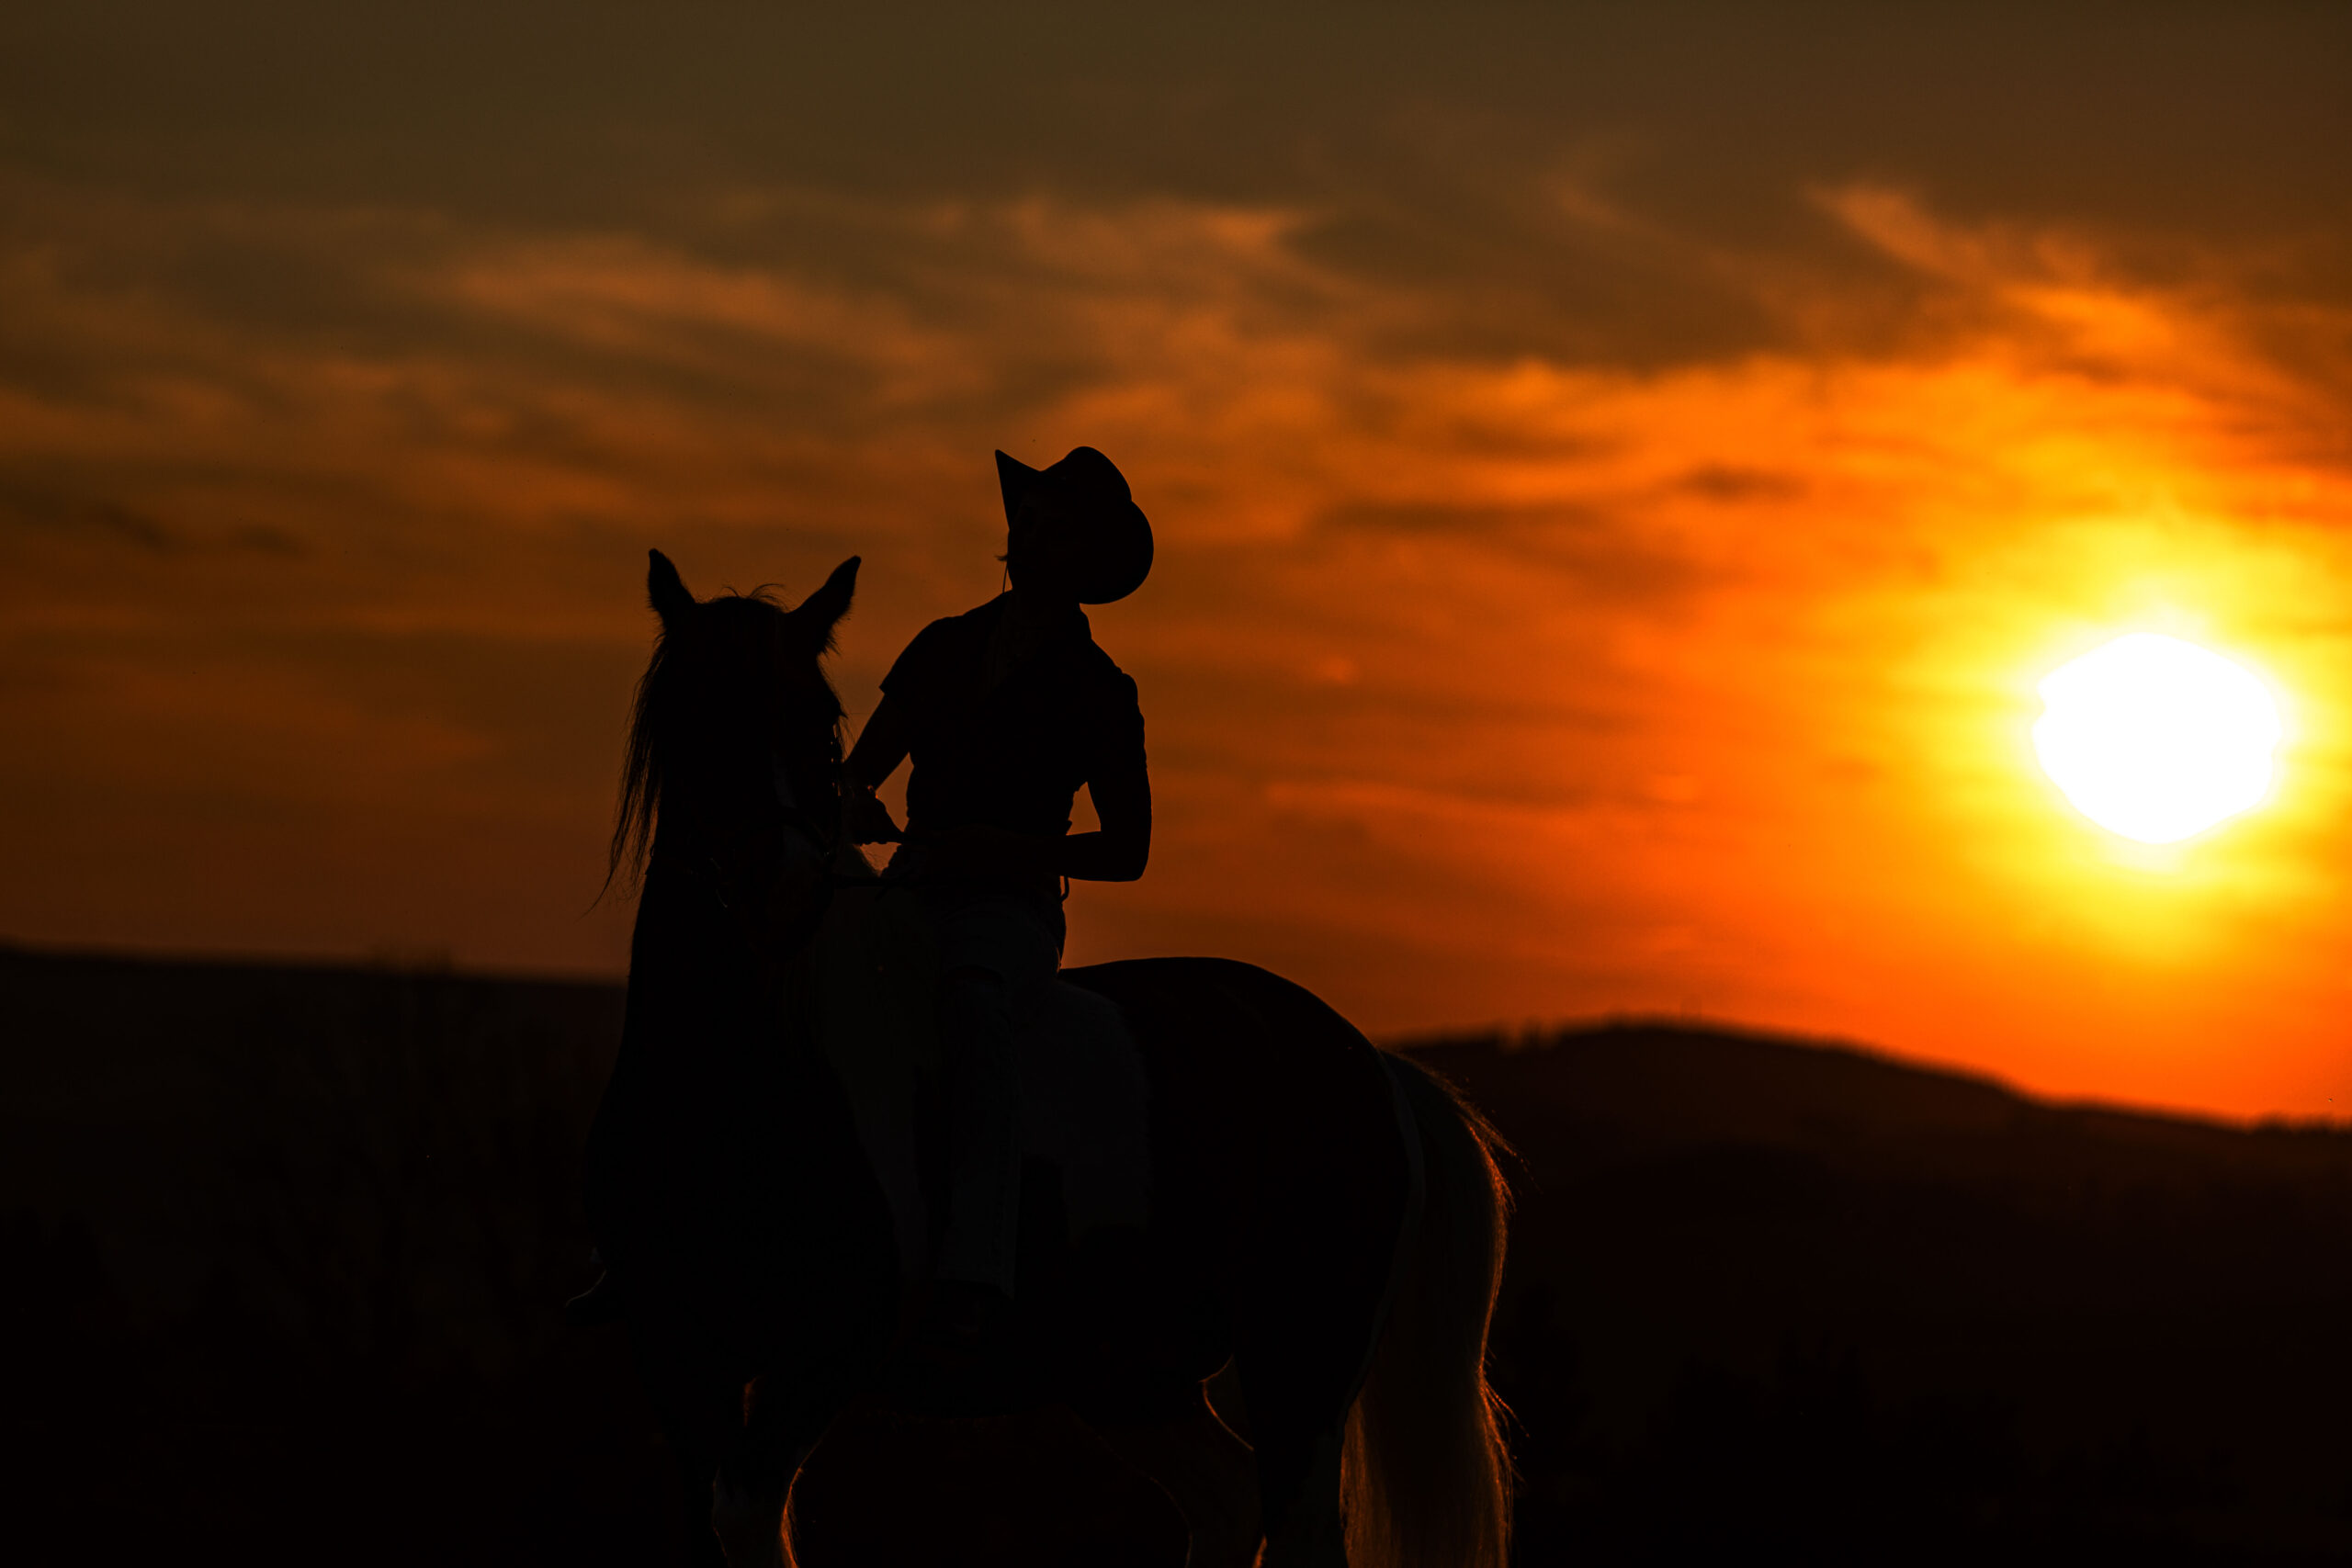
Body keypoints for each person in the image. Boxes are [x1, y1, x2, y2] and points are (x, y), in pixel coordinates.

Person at [842, 446, 1154, 1367]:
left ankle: (975, 1277)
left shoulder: (1100, 692)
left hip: (1006, 913)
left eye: (1056, 527)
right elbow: (861, 770)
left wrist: (1010, 851)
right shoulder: (942, 646)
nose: (1032, 538)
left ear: (1081, 558)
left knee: (975, 1012)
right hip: (911, 890)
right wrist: (853, 802)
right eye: (1032, 520)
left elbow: (1127, 851)